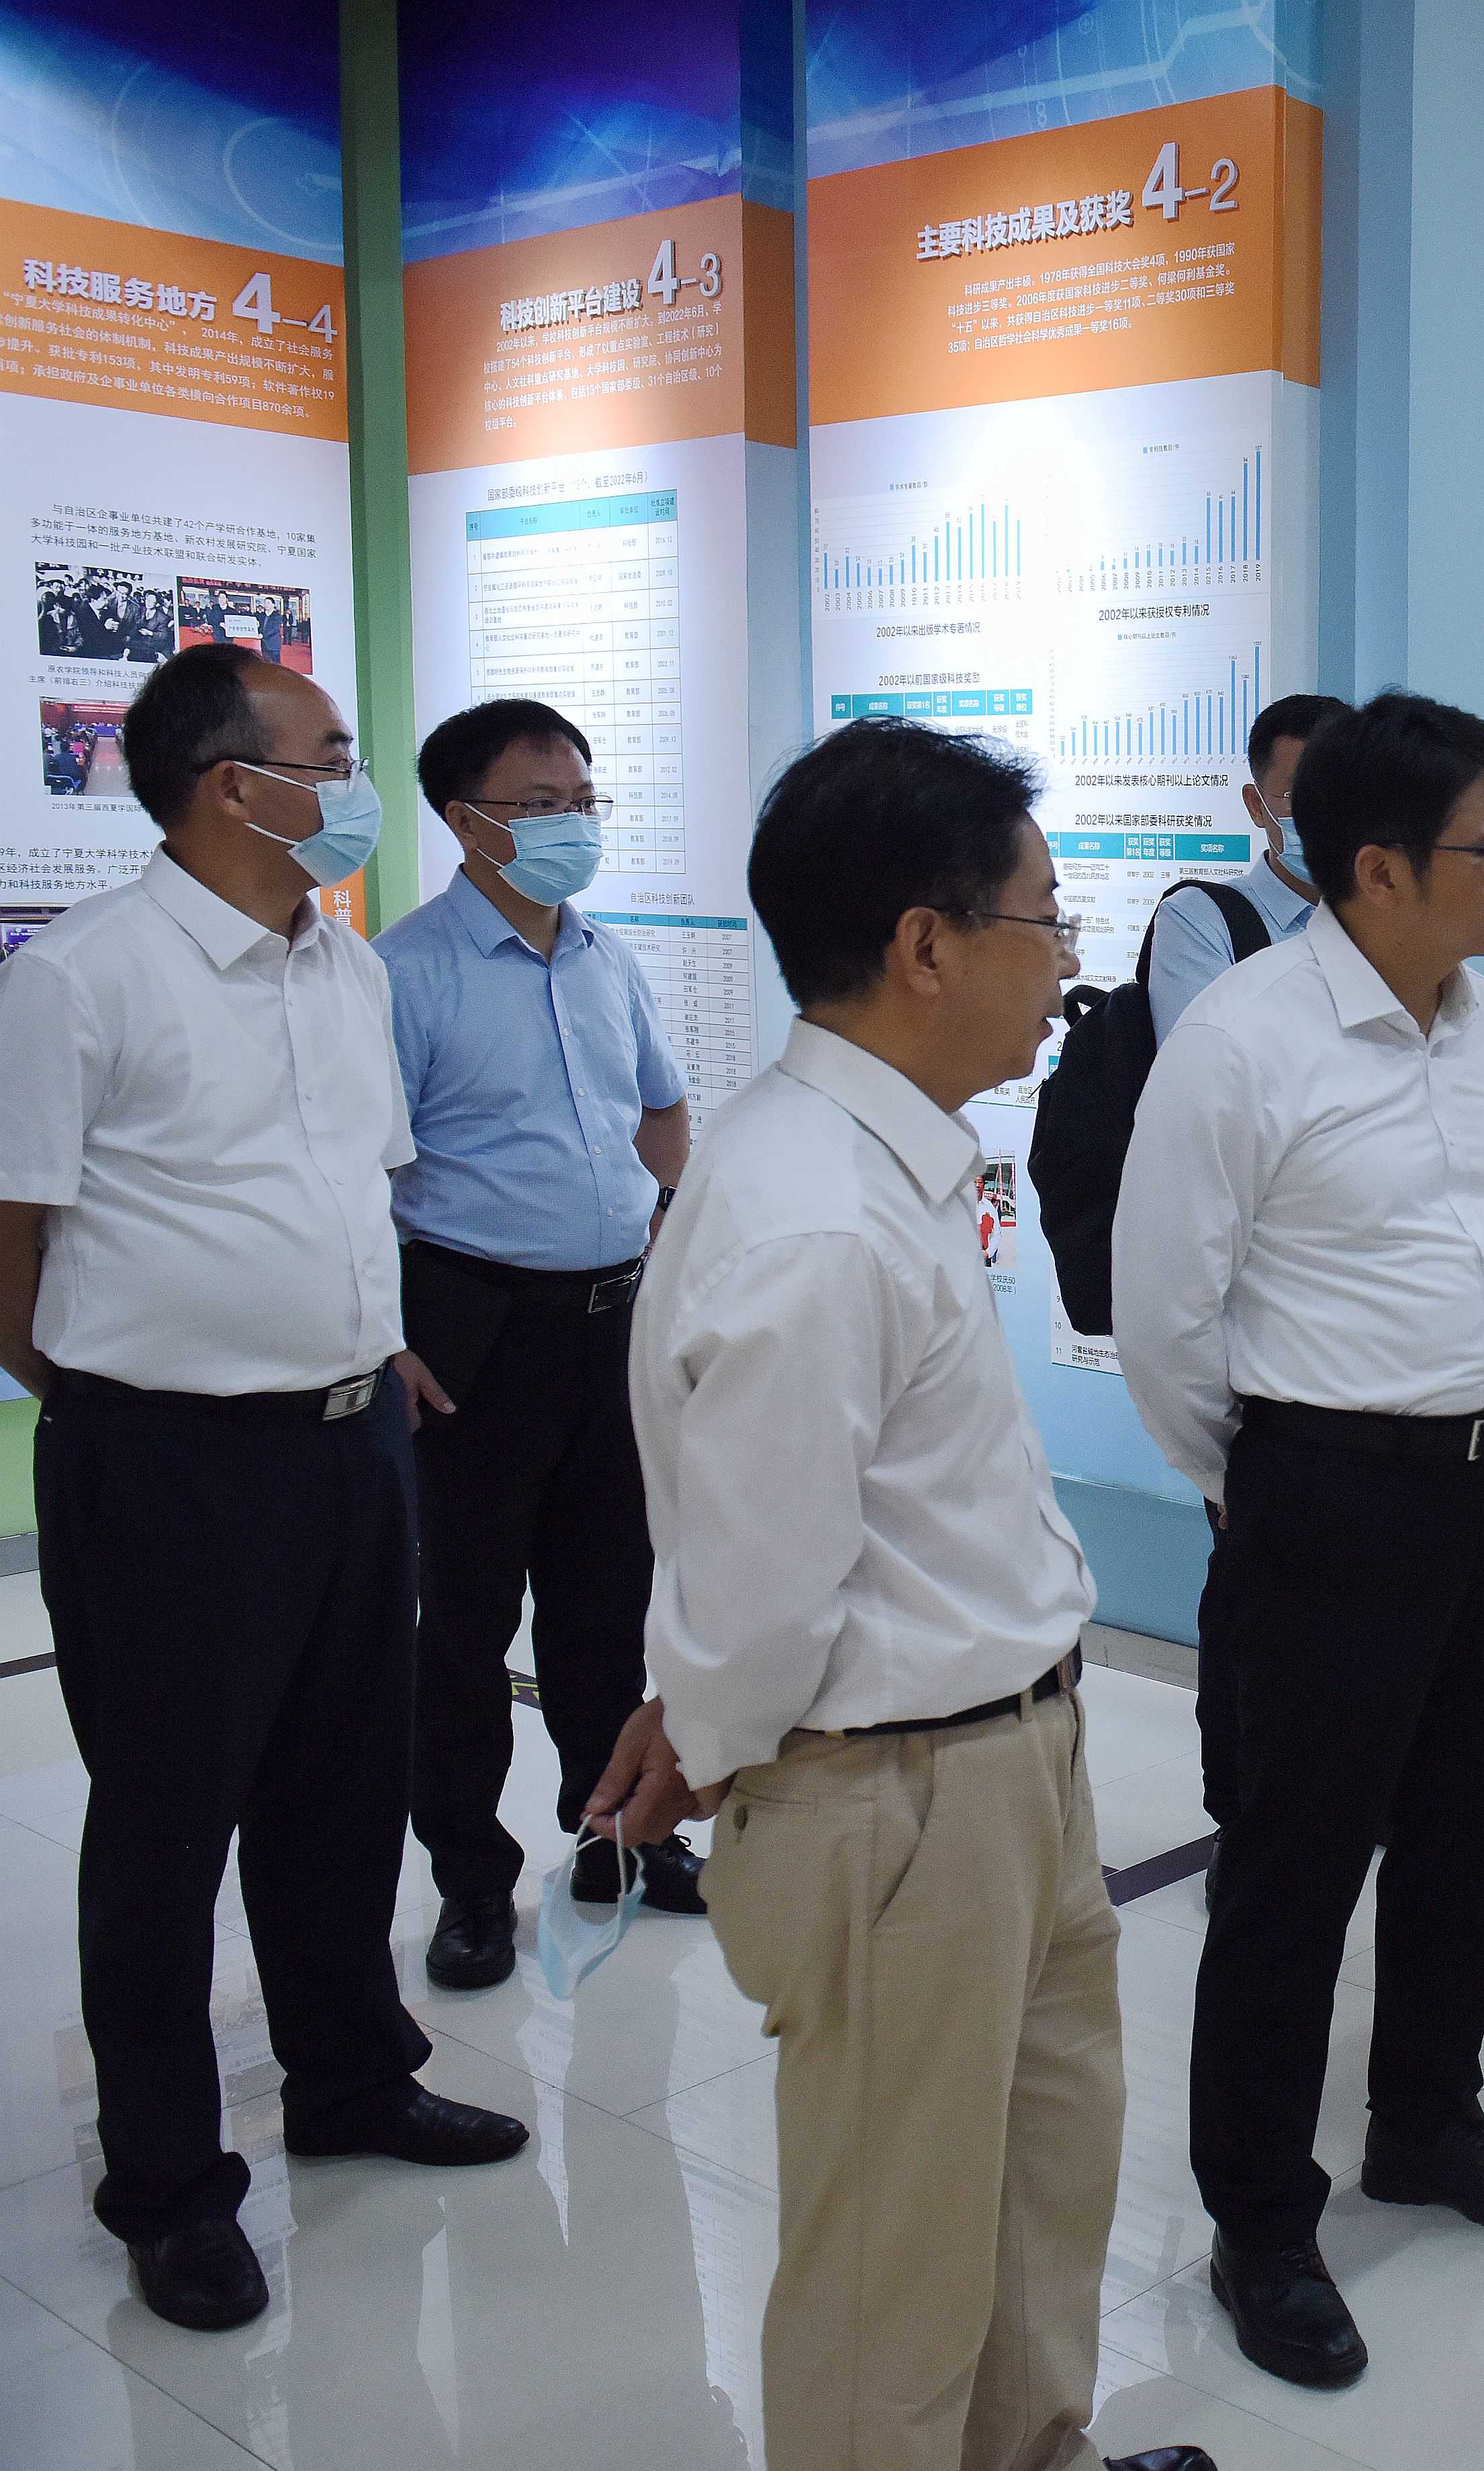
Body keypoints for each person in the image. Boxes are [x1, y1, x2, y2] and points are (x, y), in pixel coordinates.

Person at [584, 716, 1213, 2471]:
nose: (1067, 960)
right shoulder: (816, 1215)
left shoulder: (888, 1157)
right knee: (893, 2274)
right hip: (897, 1794)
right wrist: (709, 1726)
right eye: (1044, 917)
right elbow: (766, 1588)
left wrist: (694, 1697)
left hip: (999, 1758)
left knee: (1031, 2184)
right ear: (928, 945)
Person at [0, 643, 533, 2334]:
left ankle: (351, 2076)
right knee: (166, 1827)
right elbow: (13, 1238)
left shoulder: (343, 964)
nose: (356, 782)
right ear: (234, 785)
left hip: (352, 1437)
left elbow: (350, 1192)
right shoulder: (82, 977)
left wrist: (367, 1354)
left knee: (341, 1786)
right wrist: (114, 1400)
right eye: (332, 753)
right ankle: (168, 2185)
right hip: (167, 1459)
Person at [1114, 688, 1484, 2392]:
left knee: (1468, 1826)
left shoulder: (1481, 1019)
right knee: (1293, 1866)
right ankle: (1259, 2212)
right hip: (1328, 1492)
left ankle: (1427, 2119)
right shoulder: (1243, 1040)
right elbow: (1164, 1316)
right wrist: (1261, 1481)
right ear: (1376, 866)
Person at [381, 698, 695, 1992]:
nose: (574, 825)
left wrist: (663, 1230)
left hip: (611, 1321)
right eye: (541, 806)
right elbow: (352, 1170)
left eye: (583, 802)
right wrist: (382, 1334)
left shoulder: (608, 959)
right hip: (473, 1329)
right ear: (467, 822)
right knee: (461, 1626)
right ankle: (470, 1881)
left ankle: (616, 1835)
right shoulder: (405, 974)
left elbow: (661, 1112)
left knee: (606, 1607)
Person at [1142, 690, 1350, 1028]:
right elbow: (1203, 1056)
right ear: (1256, 805)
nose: (1326, 814)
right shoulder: (1201, 921)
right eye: (1299, 796)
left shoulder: (1392, 917)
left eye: (1346, 794)